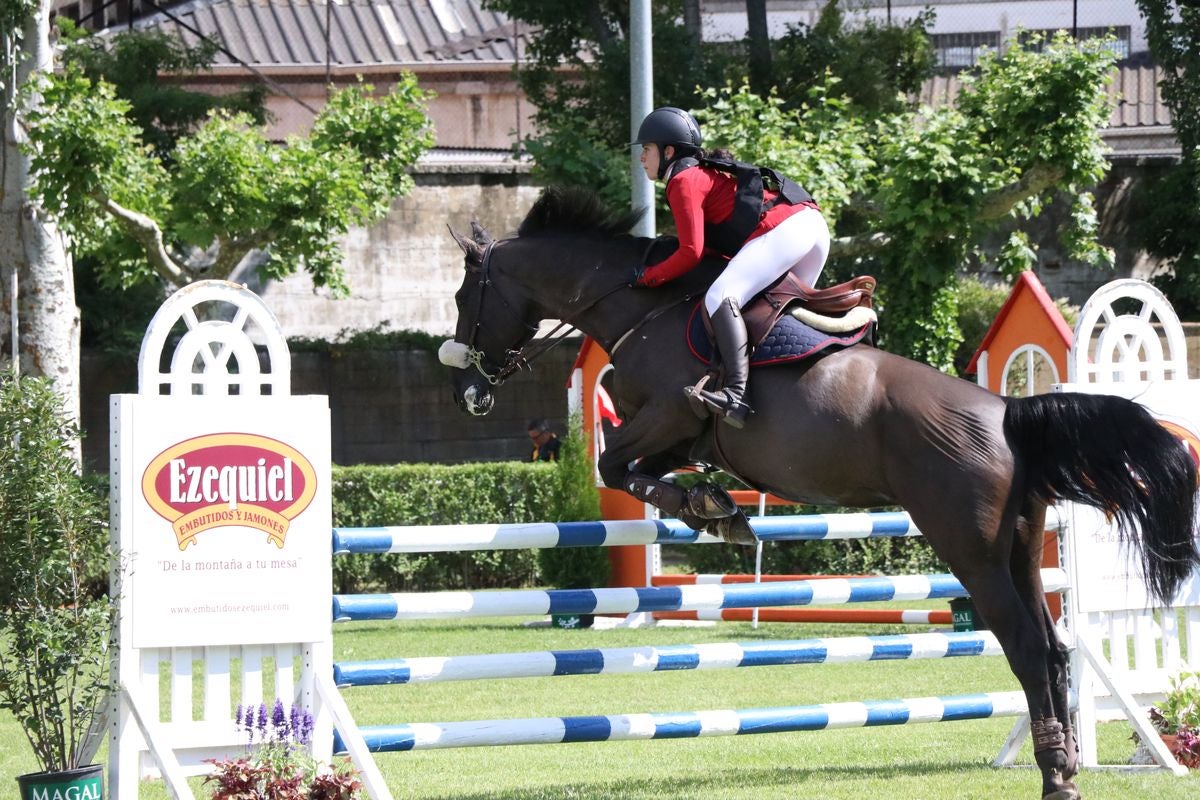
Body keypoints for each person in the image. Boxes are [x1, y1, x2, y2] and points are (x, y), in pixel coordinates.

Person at [631, 106, 830, 428]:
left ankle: (736, 395)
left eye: (647, 149)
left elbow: (691, 253)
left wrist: (648, 278)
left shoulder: (683, 180)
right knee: (770, 313)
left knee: (720, 297)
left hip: (787, 228)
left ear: (669, 151)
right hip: (812, 227)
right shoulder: (702, 175)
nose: (641, 158)